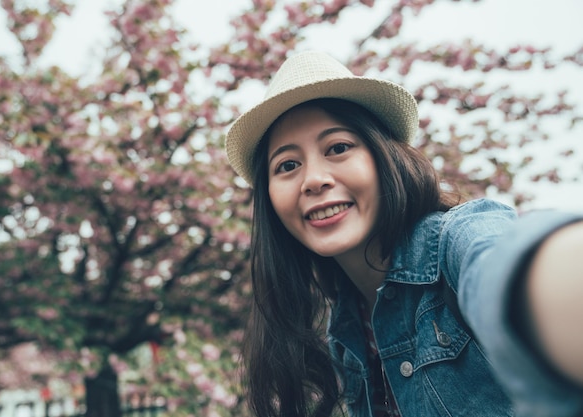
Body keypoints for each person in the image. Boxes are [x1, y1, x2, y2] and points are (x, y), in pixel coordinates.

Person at [224, 50, 583, 417]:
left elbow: (507, 263)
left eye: (339, 148)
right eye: (287, 165)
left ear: (384, 158)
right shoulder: (346, 332)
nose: (314, 179)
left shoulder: (457, 241)